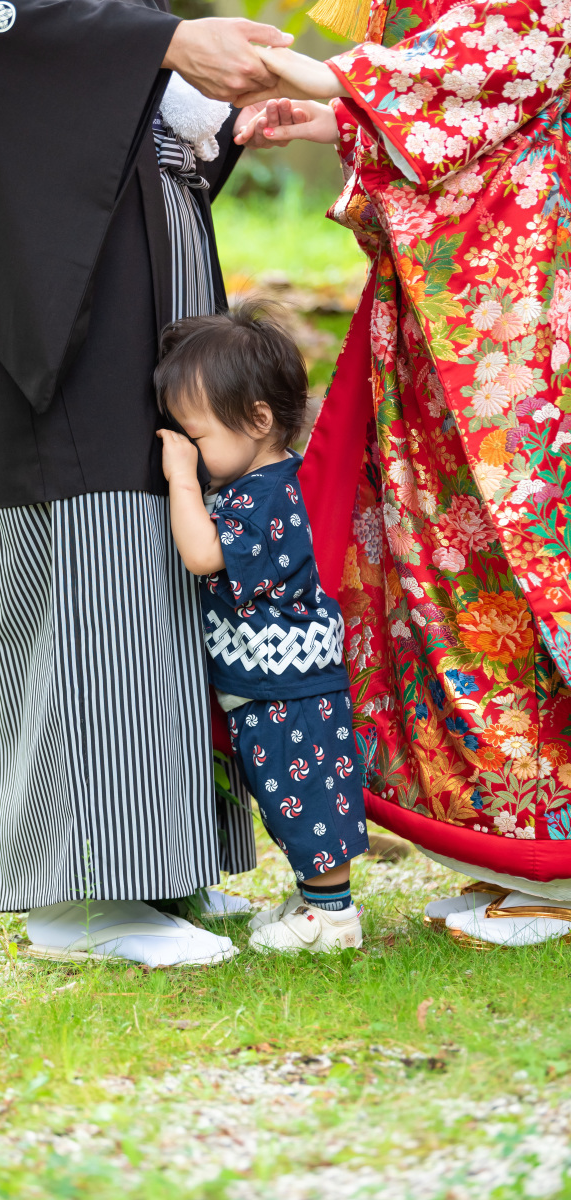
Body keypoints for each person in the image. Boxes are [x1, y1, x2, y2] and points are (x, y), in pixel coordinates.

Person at [0, 0, 304, 966]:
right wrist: (163, 45)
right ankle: (81, 896)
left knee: (170, 528)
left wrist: (191, 105)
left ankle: (161, 866)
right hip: (60, 288)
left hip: (145, 249)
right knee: (98, 543)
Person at [231, 0, 571, 946]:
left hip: (523, 288)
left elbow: (525, 41)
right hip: (458, 279)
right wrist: (352, 111)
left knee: (518, 551)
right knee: (439, 556)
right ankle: (503, 844)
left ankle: (553, 861)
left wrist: (343, 79)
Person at [156, 303, 368, 953]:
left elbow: (202, 555)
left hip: (289, 688)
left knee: (302, 794)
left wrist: (179, 481)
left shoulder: (267, 493)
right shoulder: (266, 479)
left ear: (258, 421)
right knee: (287, 797)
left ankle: (332, 917)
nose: (191, 449)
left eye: (197, 435)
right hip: (278, 684)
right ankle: (315, 899)